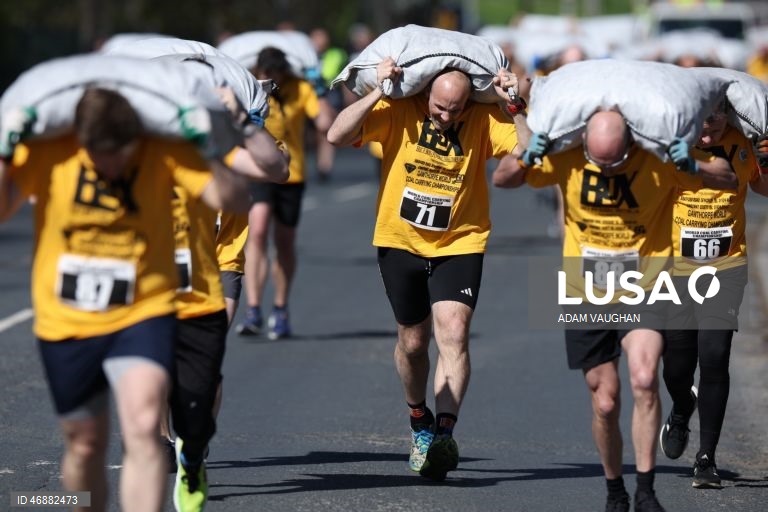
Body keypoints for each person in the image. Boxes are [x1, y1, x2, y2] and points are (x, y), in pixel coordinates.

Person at [0, 87, 251, 512]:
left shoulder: (161, 152)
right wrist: (6, 153)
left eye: (121, 153)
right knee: (84, 443)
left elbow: (236, 199)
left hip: (144, 309)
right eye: (101, 153)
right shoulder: (52, 153)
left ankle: (184, 461)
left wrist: (210, 146)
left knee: (142, 429)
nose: (112, 164)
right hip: (69, 317)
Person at [496, 109, 735, 511]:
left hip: (644, 285)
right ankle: (614, 490)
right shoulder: (568, 156)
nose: (607, 169)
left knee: (644, 378)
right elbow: (503, 178)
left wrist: (691, 161)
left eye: (615, 161)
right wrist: (527, 153)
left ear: (629, 144)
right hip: (584, 289)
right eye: (599, 161)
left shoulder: (657, 160)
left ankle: (645, 491)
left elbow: (727, 178)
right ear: (585, 144)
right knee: (605, 401)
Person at [327, 57, 525, 481]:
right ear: (426, 97)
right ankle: (419, 420)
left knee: (453, 332)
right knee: (414, 344)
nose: (446, 116)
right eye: (439, 107)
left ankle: (444, 433)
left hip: (461, 240)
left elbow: (528, 152)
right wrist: (380, 90)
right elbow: (336, 134)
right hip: (400, 241)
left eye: (455, 109)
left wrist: (515, 105)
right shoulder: (399, 109)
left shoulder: (483, 118)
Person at [659, 100, 768, 489]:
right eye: (702, 124)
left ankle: (706, 459)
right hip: (676, 270)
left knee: (716, 355)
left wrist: (765, 159)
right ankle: (682, 406)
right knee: (676, 365)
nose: (708, 131)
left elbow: (763, 187)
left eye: (716, 121)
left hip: (726, 266)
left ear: (727, 115)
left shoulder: (744, 142)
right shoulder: (674, 142)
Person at [236, 47, 334, 340]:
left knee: (284, 241)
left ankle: (280, 306)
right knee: (257, 230)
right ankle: (253, 308)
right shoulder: (250, 87)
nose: (270, 79)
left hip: (291, 173)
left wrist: (319, 89)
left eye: (275, 74)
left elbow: (325, 124)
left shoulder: (299, 89)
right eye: (266, 74)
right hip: (259, 170)